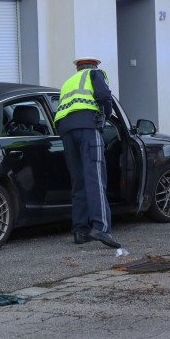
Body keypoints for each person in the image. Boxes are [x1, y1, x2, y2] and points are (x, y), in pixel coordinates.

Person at [53, 56, 121, 248]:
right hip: (88, 128)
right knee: (95, 179)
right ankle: (101, 228)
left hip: (66, 131)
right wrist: (106, 115)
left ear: (78, 68)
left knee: (79, 181)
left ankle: (80, 231)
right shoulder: (94, 74)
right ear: (93, 66)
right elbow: (104, 96)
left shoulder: (68, 82)